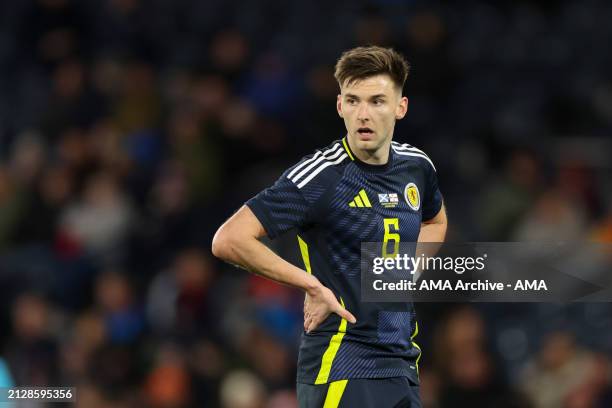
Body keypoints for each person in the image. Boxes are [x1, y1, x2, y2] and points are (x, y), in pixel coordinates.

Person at [212, 46, 447, 408]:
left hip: (401, 364)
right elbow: (229, 239)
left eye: (377, 101)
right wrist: (310, 284)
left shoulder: (417, 167)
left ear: (401, 107)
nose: (363, 114)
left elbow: (435, 220)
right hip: (341, 365)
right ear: (340, 107)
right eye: (353, 101)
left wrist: (407, 269)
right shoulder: (321, 176)